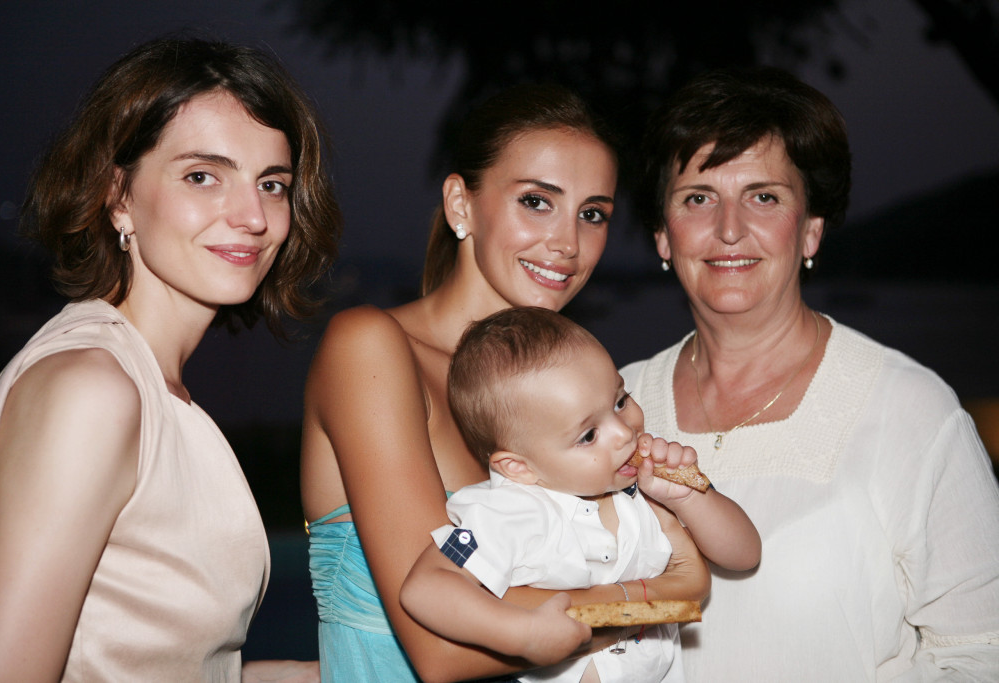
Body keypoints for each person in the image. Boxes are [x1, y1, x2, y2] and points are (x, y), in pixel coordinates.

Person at [301, 84, 709, 683]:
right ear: (460, 204)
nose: (568, 244)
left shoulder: (570, 397)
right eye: (537, 202)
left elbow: (671, 573)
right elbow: (438, 647)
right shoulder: (370, 348)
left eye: (592, 214)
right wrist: (655, 600)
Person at [0, 37, 340, 681]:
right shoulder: (92, 389)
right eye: (203, 176)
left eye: (272, 184)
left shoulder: (142, 385)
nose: (253, 216)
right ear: (119, 196)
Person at [621, 65, 999, 680]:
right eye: (698, 198)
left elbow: (982, 651)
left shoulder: (907, 409)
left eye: (764, 197)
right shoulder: (613, 406)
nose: (729, 229)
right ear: (664, 235)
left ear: (810, 231)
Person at [400, 306, 760, 683]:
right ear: (519, 468)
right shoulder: (511, 511)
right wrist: (522, 634)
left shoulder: (643, 492)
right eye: (588, 435)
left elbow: (744, 555)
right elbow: (427, 586)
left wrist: (689, 498)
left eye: (620, 401)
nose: (624, 433)